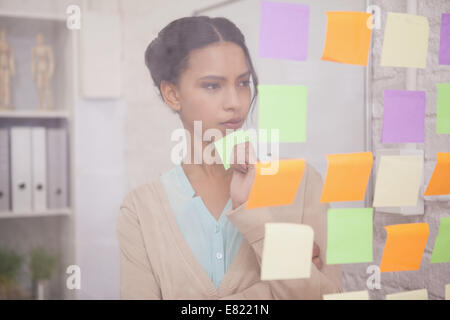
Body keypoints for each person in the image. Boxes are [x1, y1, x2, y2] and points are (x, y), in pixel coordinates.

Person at [116, 16, 342, 299]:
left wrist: (253, 213)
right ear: (172, 94)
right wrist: (266, 293)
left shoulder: (303, 184)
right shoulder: (140, 211)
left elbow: (327, 297)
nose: (235, 102)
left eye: (243, 83)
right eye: (212, 85)